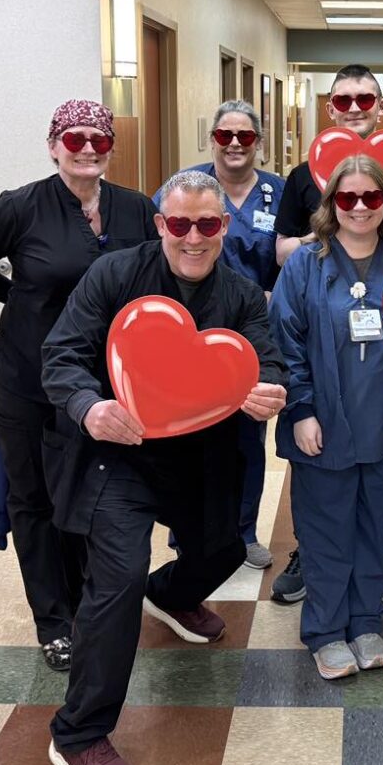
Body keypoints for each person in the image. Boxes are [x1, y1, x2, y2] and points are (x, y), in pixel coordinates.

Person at [41, 170, 288, 765]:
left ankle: (171, 595)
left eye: (207, 224)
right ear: (160, 225)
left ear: (224, 227)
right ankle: (77, 734)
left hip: (201, 455)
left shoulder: (240, 294)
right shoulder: (114, 275)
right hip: (120, 451)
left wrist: (267, 391)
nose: (194, 238)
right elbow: (61, 353)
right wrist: (88, 406)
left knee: (226, 549)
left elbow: (270, 361)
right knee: (118, 580)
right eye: (180, 224)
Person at [0, 99, 159, 672]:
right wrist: (18, 299)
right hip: (27, 379)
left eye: (99, 139)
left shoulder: (136, 209)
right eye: (75, 138)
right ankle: (53, 620)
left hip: (99, 385)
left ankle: (91, 604)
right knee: (33, 498)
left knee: (88, 494)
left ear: (111, 148)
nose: (88, 148)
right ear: (53, 145)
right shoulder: (19, 208)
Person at [271, 64, 383, 606]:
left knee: (379, 490)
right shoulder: (303, 179)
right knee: (324, 492)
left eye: (365, 97)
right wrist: (333, 245)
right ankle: (313, 559)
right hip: (325, 333)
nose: (354, 106)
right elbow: (281, 251)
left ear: (380, 104)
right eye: (343, 98)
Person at [153, 100, 285, 569]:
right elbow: (162, 251)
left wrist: (276, 294)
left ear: (258, 143)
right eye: (225, 135)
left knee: (246, 440)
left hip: (251, 332)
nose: (234, 144)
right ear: (211, 139)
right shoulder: (186, 188)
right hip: (188, 337)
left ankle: (242, 532)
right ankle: (183, 530)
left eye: (245, 136)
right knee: (183, 435)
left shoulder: (279, 193)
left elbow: (293, 257)